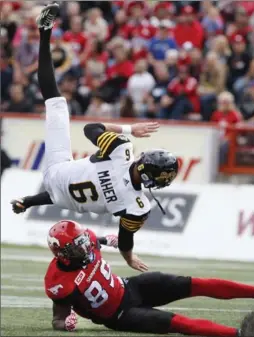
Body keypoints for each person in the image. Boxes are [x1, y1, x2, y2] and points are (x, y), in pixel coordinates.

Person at [10, 3, 179, 273]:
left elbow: (91, 129)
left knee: (56, 103)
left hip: (59, 171)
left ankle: (45, 33)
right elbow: (124, 241)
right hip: (62, 193)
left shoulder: (122, 151)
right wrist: (128, 259)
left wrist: (128, 130)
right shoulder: (138, 205)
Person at [44, 219, 254, 336]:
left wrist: (111, 240)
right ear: (63, 253)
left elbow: (100, 240)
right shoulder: (60, 282)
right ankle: (242, 335)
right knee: (180, 323)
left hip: (131, 287)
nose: (85, 246)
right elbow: (58, 318)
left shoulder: (85, 242)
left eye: (83, 241)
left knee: (196, 283)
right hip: (121, 315)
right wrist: (65, 324)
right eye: (78, 246)